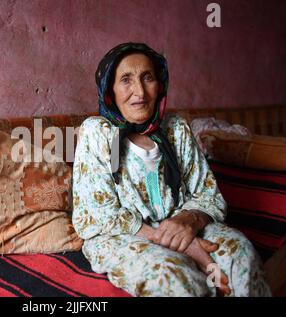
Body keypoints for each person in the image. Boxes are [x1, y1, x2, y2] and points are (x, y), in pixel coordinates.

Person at [72, 42, 271, 297]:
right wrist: (184, 245)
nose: (139, 92)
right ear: (109, 90)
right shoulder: (98, 134)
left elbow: (208, 194)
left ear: (160, 84)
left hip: (181, 222)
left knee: (241, 254)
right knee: (173, 277)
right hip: (120, 234)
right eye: (126, 80)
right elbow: (97, 214)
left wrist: (188, 221)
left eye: (148, 78)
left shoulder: (176, 128)